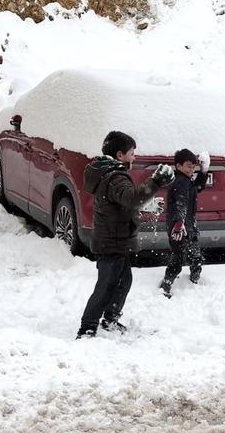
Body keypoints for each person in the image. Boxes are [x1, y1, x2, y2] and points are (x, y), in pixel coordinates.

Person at [77, 131, 175, 339]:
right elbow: (131, 198)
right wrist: (156, 182)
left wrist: (147, 203)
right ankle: (87, 327)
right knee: (106, 286)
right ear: (120, 155)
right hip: (111, 242)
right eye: (132, 153)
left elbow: (124, 204)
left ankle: (110, 319)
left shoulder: (110, 175)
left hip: (114, 240)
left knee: (123, 281)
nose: (134, 157)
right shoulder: (116, 177)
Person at [160, 149, 210, 298]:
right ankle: (166, 284)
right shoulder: (180, 182)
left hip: (187, 226)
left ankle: (194, 281)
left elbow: (198, 187)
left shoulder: (186, 181)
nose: (191, 169)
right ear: (178, 166)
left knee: (194, 255)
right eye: (189, 166)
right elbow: (180, 204)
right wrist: (179, 223)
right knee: (179, 256)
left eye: (193, 167)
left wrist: (204, 170)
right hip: (179, 227)